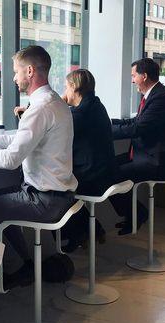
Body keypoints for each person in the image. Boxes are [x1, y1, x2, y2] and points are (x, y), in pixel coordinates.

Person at [0, 45, 77, 289]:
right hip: (59, 194)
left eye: (15, 72)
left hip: (44, 200)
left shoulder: (39, 108)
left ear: (29, 71)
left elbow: (10, 160)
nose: (14, 78)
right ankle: (21, 265)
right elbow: (24, 140)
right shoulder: (54, 101)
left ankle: (12, 269)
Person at [109, 58, 165, 235]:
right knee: (107, 166)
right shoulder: (153, 95)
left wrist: (107, 132)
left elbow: (138, 128)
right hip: (146, 154)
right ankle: (135, 214)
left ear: (144, 76)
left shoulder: (162, 97)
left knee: (112, 174)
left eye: (133, 75)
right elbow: (136, 121)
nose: (132, 79)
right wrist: (108, 123)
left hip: (161, 161)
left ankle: (137, 214)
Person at [59, 69, 116, 252]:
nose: (64, 91)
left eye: (66, 87)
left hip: (92, 177)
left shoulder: (79, 115)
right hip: (104, 172)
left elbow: (52, 131)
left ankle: (77, 234)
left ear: (74, 87)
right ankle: (92, 230)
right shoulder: (96, 105)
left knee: (54, 190)